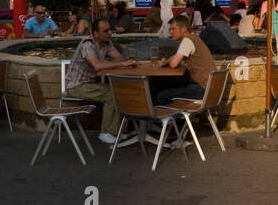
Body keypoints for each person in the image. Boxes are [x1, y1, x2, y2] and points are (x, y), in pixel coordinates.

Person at [63, 18, 139, 147]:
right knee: (110, 93)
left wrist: (112, 64)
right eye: (105, 31)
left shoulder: (106, 43)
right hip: (76, 86)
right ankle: (106, 133)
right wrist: (119, 64)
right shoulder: (88, 44)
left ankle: (117, 132)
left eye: (110, 30)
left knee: (117, 90)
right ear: (95, 33)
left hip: (89, 83)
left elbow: (119, 57)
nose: (110, 33)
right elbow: (98, 66)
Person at [154, 15, 215, 108]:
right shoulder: (193, 37)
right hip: (208, 88)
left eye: (173, 29)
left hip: (201, 89)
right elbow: (176, 56)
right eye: (170, 29)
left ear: (183, 29)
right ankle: (176, 120)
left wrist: (168, 62)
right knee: (166, 87)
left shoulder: (187, 41)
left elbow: (174, 64)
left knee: (162, 95)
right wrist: (167, 62)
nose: (170, 32)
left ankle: (171, 121)